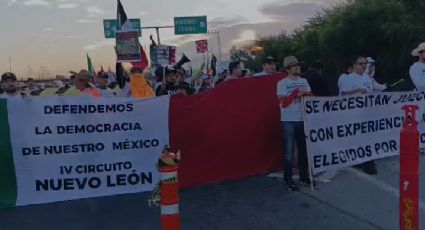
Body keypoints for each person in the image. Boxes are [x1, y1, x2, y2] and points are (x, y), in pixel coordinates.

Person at [277, 56, 313, 191]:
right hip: (288, 121)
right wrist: (295, 94)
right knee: (289, 152)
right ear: (288, 69)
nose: (298, 67)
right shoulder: (282, 83)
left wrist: (306, 95)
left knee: (303, 150)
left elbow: (311, 98)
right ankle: (289, 179)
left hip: (303, 119)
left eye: (298, 65)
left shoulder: (304, 81)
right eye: (294, 66)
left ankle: (304, 176)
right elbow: (283, 103)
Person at [338, 56, 377, 175]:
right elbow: (343, 94)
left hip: (366, 112)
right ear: (354, 65)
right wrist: (357, 90)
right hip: (352, 113)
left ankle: (368, 163)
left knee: (367, 138)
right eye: (360, 63)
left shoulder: (368, 78)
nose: (363, 65)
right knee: (356, 139)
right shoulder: (347, 79)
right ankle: (361, 162)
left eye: (365, 63)